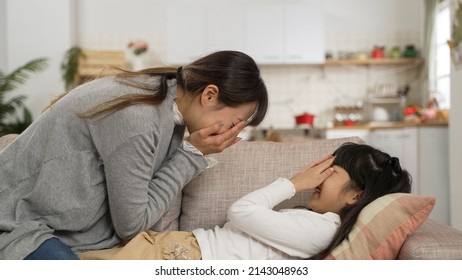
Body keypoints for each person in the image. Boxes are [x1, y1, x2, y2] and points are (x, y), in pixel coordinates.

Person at [0, 50, 268, 260]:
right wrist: (193, 153)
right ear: (210, 95)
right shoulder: (139, 117)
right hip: (15, 220)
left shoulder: (162, 96)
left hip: (41, 221)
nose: (233, 131)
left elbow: (143, 205)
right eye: (236, 121)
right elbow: (132, 226)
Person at [78, 142, 412, 260]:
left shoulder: (321, 230)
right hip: (181, 249)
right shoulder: (313, 221)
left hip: (187, 258)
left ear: (356, 195)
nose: (318, 178)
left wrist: (294, 183)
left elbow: (241, 212)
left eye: (331, 172)